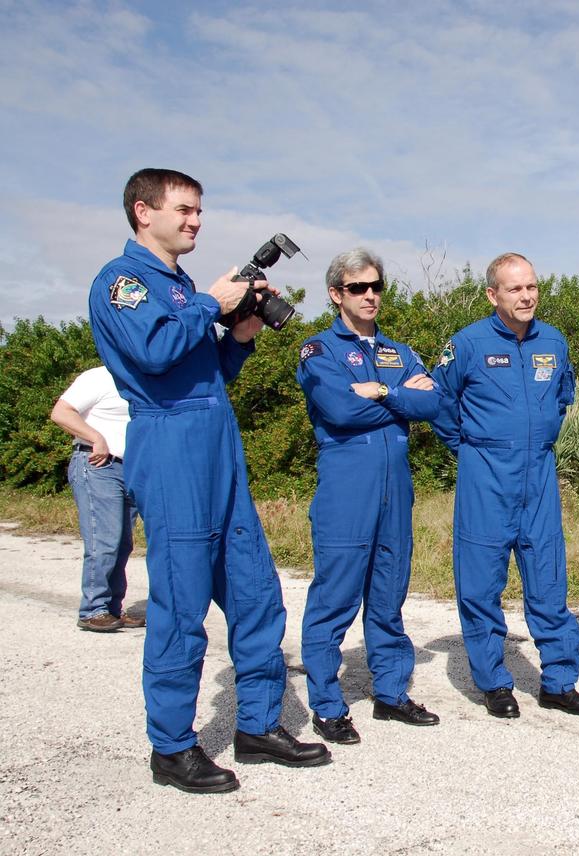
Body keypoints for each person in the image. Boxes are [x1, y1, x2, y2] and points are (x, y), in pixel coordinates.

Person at [88, 168, 328, 794]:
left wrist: (239, 334)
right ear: (144, 212)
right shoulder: (121, 282)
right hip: (169, 448)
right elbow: (155, 354)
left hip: (217, 447)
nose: (195, 220)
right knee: (182, 604)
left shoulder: (180, 285)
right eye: (184, 210)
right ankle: (171, 748)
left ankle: (255, 727)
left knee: (256, 594)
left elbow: (204, 370)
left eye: (199, 210)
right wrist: (210, 304)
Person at [429, 252, 579, 719]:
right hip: (485, 472)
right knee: (482, 583)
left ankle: (559, 681)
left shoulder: (554, 341)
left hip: (539, 473)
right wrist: (467, 446)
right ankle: (494, 682)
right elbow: (437, 400)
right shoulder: (467, 343)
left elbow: (563, 398)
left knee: (548, 580)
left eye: (532, 287)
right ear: (492, 294)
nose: (526, 296)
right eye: (515, 288)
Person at [297, 249, 443, 745]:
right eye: (358, 288)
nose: (370, 296)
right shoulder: (319, 350)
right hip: (346, 489)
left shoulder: (397, 352)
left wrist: (380, 392)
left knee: (388, 595)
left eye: (376, 286)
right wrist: (400, 396)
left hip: (394, 492)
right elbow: (338, 409)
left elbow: (433, 400)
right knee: (334, 598)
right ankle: (327, 703)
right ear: (336, 293)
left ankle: (391, 692)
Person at [51, 365, 141, 632]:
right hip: (98, 464)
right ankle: (93, 609)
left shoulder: (141, 377)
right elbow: (60, 412)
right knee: (105, 539)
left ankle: (112, 609)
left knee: (123, 543)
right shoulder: (99, 376)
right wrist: (96, 437)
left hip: (131, 468)